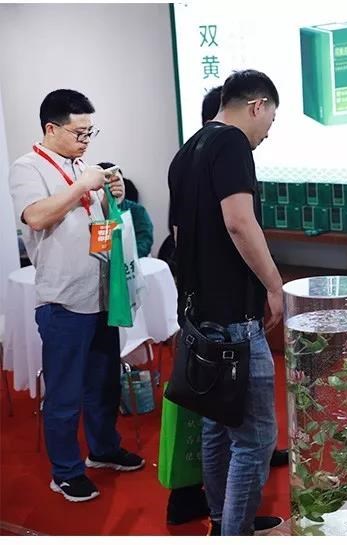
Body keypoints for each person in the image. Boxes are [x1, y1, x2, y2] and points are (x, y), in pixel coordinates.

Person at [8, 89, 144, 503]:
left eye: (90, 132)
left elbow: (97, 222)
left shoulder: (81, 165)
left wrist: (112, 194)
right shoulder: (27, 167)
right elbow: (36, 216)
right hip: (63, 301)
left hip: (100, 294)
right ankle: (65, 472)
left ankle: (103, 450)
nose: (86, 140)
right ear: (51, 128)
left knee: (103, 384)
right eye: (79, 132)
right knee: (65, 394)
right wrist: (81, 186)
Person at [163, 84, 287, 529]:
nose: (268, 132)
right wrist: (274, 286)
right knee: (256, 438)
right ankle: (236, 530)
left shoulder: (187, 150)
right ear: (257, 106)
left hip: (201, 315)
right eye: (271, 119)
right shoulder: (233, 144)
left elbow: (178, 236)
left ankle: (221, 519)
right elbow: (239, 222)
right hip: (235, 316)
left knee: (217, 425)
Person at [97, 163, 154, 258]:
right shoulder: (93, 211)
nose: (114, 187)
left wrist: (126, 258)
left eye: (118, 182)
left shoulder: (137, 210)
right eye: (107, 184)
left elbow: (144, 241)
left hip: (132, 260)